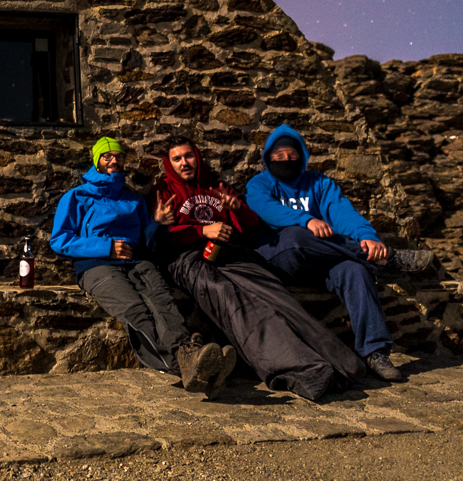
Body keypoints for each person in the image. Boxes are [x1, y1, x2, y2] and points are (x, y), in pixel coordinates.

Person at [153, 136, 369, 401]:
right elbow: (156, 241)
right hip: (189, 259)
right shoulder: (162, 192)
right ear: (169, 163)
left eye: (188, 156)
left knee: (275, 294)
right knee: (229, 298)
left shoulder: (215, 185)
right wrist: (197, 229)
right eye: (177, 159)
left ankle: (342, 364)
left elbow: (251, 227)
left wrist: (238, 209)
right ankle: (300, 371)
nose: (184, 163)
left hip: (232, 253)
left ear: (197, 156)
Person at [245, 125, 436, 383]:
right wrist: (306, 220)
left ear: (302, 155)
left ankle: (375, 352)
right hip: (281, 258)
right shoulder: (260, 184)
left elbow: (342, 213)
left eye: (291, 154)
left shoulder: (320, 184)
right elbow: (265, 209)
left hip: (322, 261)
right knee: (296, 234)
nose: (286, 160)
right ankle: (386, 258)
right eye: (278, 156)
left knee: (355, 271)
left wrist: (368, 237)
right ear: (268, 159)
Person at [50, 137, 229, 395]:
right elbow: (59, 239)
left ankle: (191, 358)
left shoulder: (133, 200)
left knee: (163, 304)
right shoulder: (77, 196)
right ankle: (187, 366)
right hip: (96, 266)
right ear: (97, 160)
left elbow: (147, 241)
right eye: (107, 156)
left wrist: (156, 222)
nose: (114, 160)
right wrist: (106, 248)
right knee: (135, 311)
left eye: (119, 156)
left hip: (138, 262)